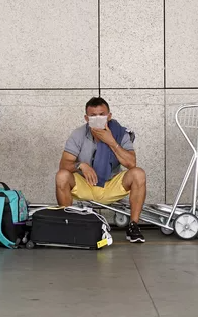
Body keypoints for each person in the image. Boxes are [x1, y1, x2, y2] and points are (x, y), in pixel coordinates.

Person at [55, 97, 146, 243]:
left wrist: (111, 141)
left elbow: (131, 163)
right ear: (86, 118)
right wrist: (81, 165)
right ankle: (68, 224)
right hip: (86, 183)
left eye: (101, 115)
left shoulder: (119, 133)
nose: (98, 118)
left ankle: (133, 226)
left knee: (138, 174)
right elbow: (64, 164)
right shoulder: (78, 134)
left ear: (109, 116)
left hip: (111, 184)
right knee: (62, 176)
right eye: (93, 116)